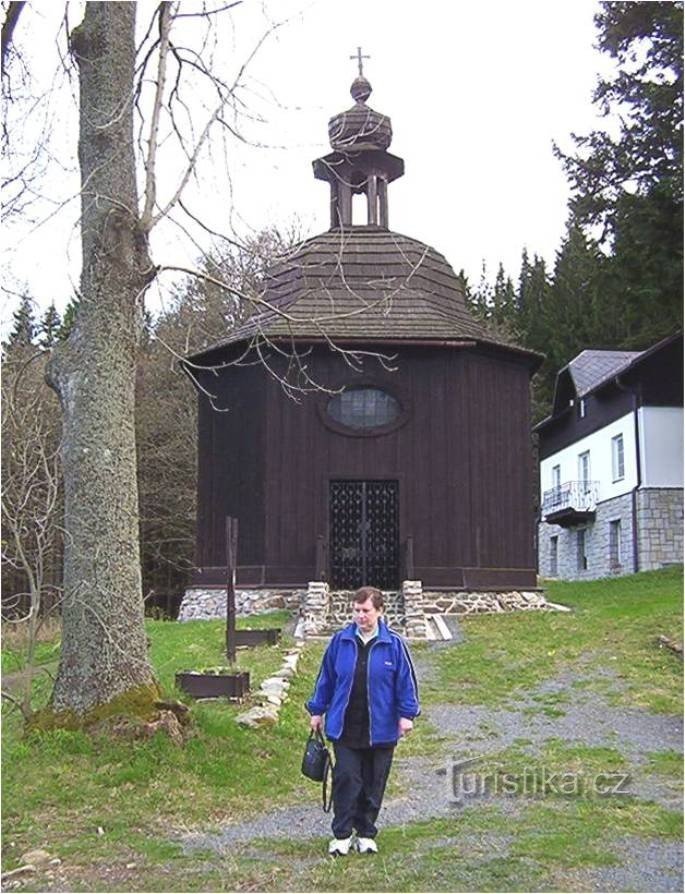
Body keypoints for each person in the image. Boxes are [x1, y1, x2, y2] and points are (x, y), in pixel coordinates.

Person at [306, 586, 420, 856]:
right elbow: (326, 680)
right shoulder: (339, 642)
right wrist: (317, 710)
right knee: (346, 778)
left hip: (380, 727)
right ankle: (342, 835)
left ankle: (366, 833)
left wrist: (407, 715)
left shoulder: (394, 645)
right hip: (345, 725)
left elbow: (406, 682)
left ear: (380, 611)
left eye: (366, 611)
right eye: (356, 610)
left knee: (374, 782)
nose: (360, 616)